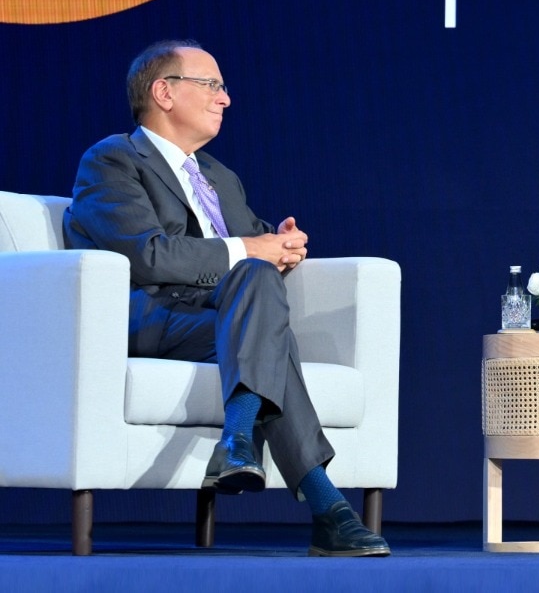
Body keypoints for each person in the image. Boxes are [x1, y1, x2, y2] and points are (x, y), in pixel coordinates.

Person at [63, 39, 390, 557]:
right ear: (163, 92)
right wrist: (251, 249)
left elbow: (250, 243)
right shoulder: (114, 160)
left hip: (222, 318)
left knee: (260, 293)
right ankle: (324, 505)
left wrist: (284, 243)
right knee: (266, 319)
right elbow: (148, 256)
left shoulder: (217, 175)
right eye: (211, 84)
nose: (225, 98)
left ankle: (240, 447)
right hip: (150, 316)